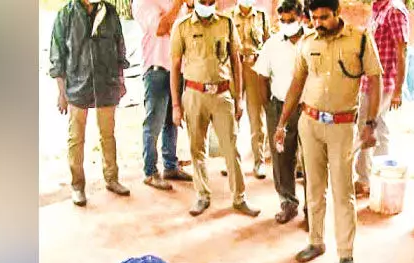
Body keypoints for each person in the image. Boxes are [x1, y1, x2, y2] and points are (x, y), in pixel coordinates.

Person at [275, 0, 383, 263]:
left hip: (342, 127)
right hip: (309, 123)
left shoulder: (360, 40)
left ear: (337, 14)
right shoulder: (307, 41)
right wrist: (282, 122)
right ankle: (316, 241)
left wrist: (370, 123)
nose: (319, 22)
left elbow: (375, 79)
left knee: (342, 191)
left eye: (324, 17)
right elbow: (297, 83)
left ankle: (346, 254)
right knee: (313, 185)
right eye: (314, 18)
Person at [170, 0, 261, 217]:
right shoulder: (182, 26)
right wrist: (175, 105)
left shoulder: (227, 23)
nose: (207, 3)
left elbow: (236, 62)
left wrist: (238, 97)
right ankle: (202, 195)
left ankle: (239, 197)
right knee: (196, 147)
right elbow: (174, 66)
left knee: (231, 147)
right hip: (194, 94)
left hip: (222, 94)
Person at [49, 0, 131, 207]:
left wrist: (121, 81)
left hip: (106, 84)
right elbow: (57, 56)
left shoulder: (109, 13)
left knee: (108, 134)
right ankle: (77, 186)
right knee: (76, 138)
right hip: (77, 86)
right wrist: (61, 93)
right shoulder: (65, 15)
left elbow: (119, 48)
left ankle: (112, 179)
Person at [253, 0, 306, 224]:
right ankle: (288, 202)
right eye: (282, 20)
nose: (286, 24)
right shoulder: (272, 44)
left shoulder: (312, 41)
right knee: (281, 157)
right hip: (279, 107)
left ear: (302, 17)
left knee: (312, 160)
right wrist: (269, 109)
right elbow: (261, 77)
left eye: (291, 20)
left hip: (308, 109)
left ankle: (313, 211)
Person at [133, 0, 194, 194]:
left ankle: (170, 165)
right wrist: (178, 5)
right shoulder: (143, 3)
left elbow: (186, 30)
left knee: (172, 120)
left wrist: (190, 8)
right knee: (154, 123)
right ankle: (150, 171)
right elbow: (161, 27)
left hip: (178, 68)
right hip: (156, 68)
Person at [353, 0, 409, 198]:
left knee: (377, 128)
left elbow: (402, 52)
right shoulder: (378, 8)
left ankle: (377, 180)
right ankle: (365, 178)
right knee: (367, 127)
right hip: (367, 81)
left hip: (383, 82)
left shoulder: (394, 10)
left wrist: (398, 90)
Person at [228, 0, 272, 180]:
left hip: (255, 67)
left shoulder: (261, 16)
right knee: (231, 116)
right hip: (233, 68)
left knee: (256, 116)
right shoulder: (228, 16)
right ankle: (231, 161)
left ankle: (258, 161)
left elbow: (268, 44)